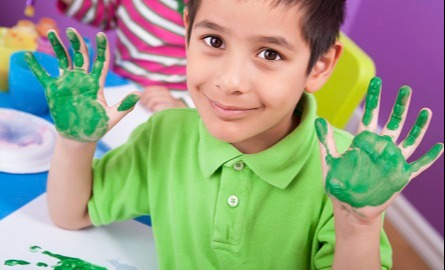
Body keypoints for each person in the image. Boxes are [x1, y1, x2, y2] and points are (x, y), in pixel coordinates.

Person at [26, 0, 444, 269]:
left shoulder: (344, 173)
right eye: (213, 40)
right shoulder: (165, 136)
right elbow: (71, 213)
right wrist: (75, 141)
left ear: (318, 66)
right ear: (187, 29)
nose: (231, 81)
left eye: (270, 54)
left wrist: (356, 224)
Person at [56, 0, 192, 112]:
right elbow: (107, 15)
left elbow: (213, 68)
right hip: (121, 91)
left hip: (171, 107)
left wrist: (182, 104)